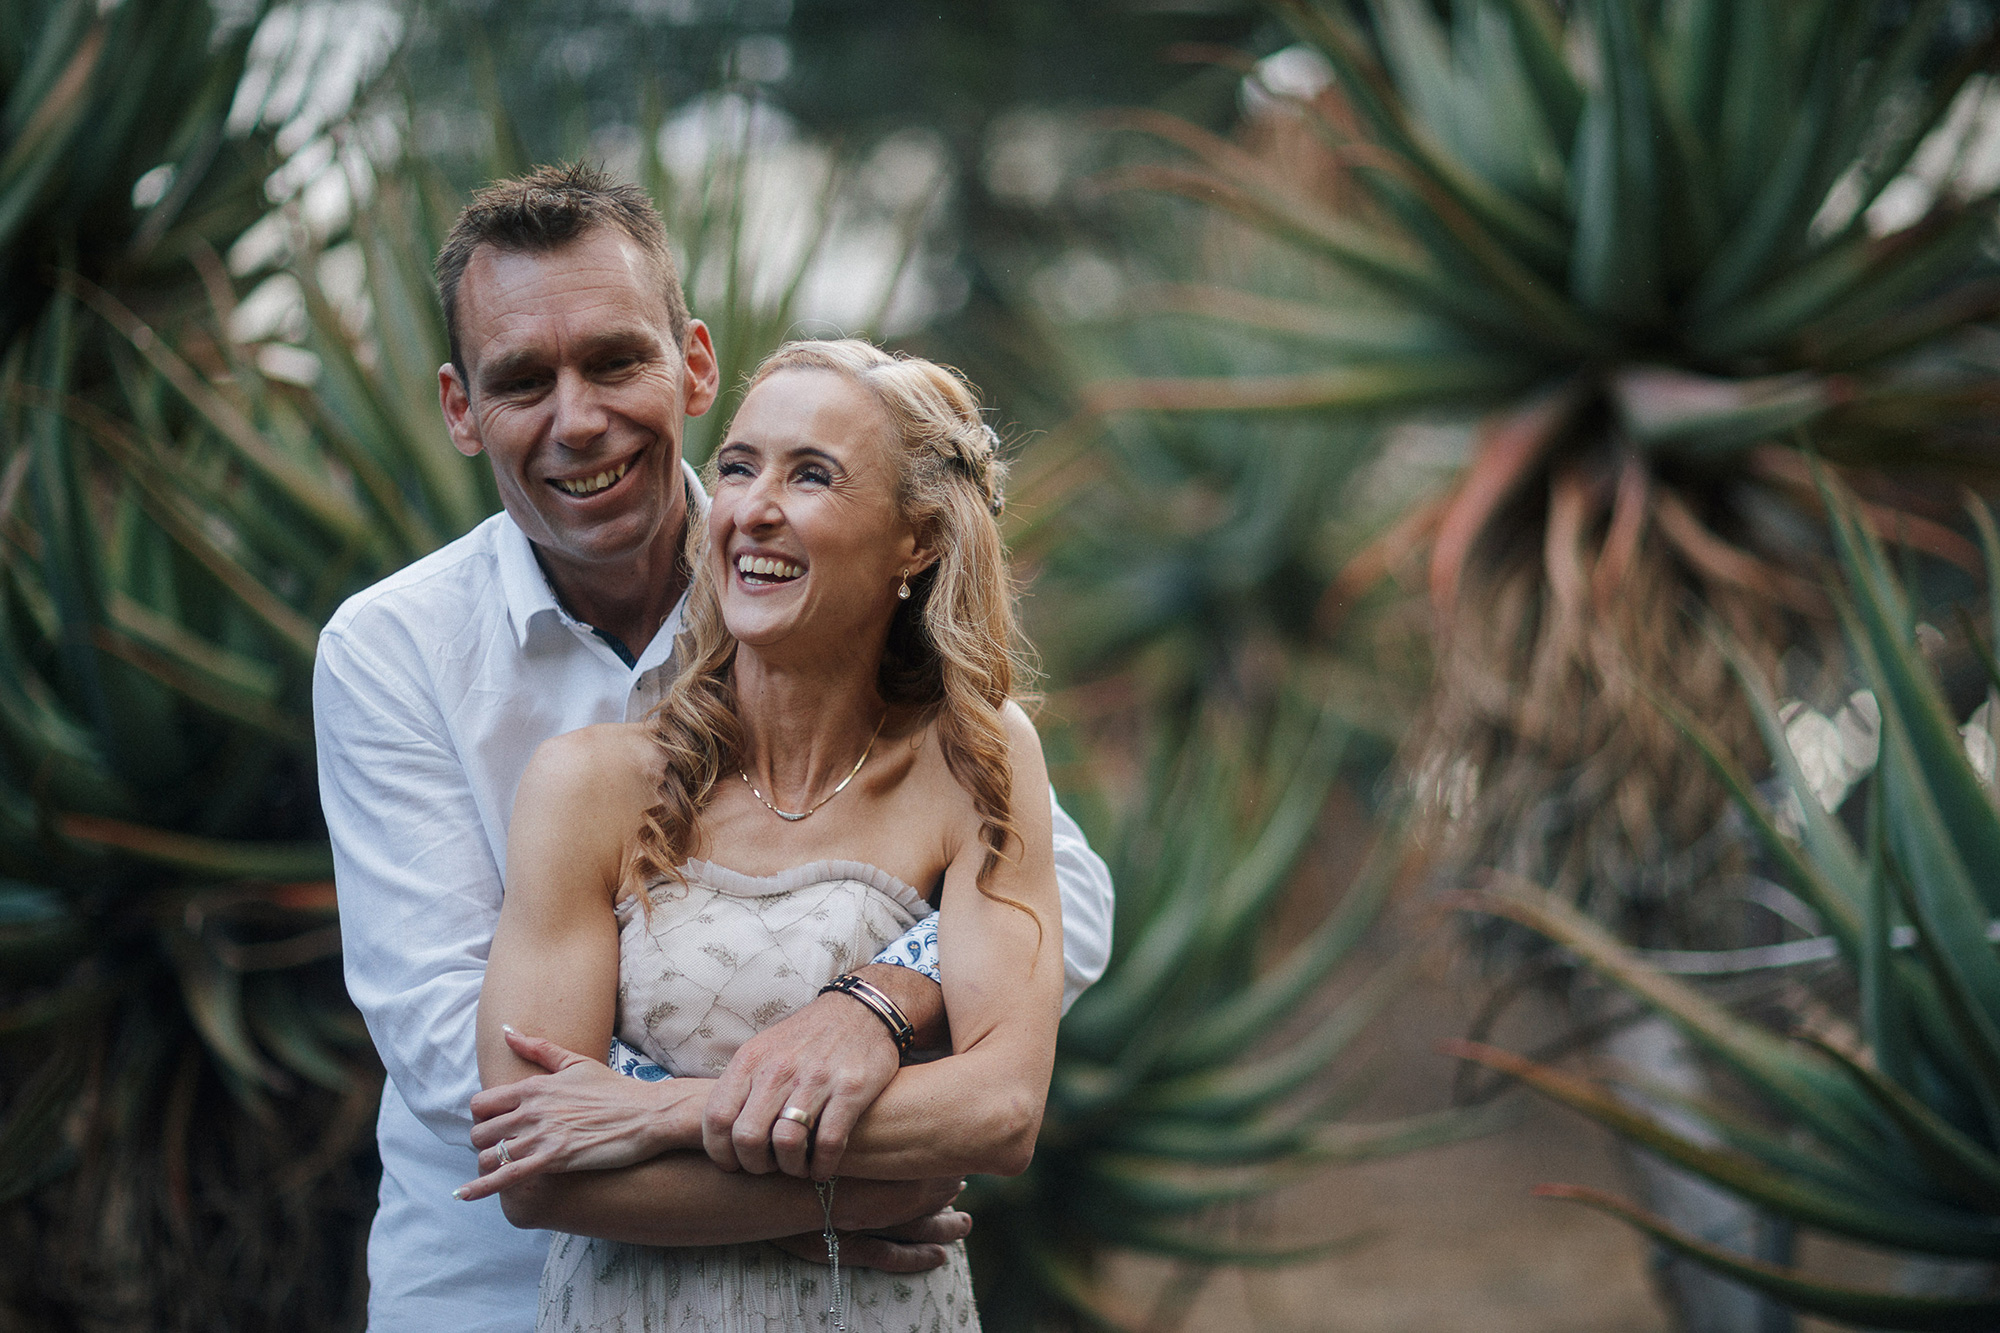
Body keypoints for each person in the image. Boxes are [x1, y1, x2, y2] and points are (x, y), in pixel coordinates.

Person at [312, 164, 1114, 1333]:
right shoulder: (390, 652)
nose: (577, 419)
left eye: (614, 360)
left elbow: (1065, 896)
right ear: (458, 406)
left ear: (691, 364)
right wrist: (815, 1181)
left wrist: (870, 1007)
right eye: (522, 380)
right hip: (495, 1290)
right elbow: (471, 1062)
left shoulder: (808, 588)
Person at [468, 337, 1058, 1330]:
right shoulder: (590, 785)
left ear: (915, 541)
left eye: (812, 474)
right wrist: (863, 1190)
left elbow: (997, 1109)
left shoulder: (976, 764)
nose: (749, 508)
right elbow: (537, 1166)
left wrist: (659, 1110)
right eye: (737, 466)